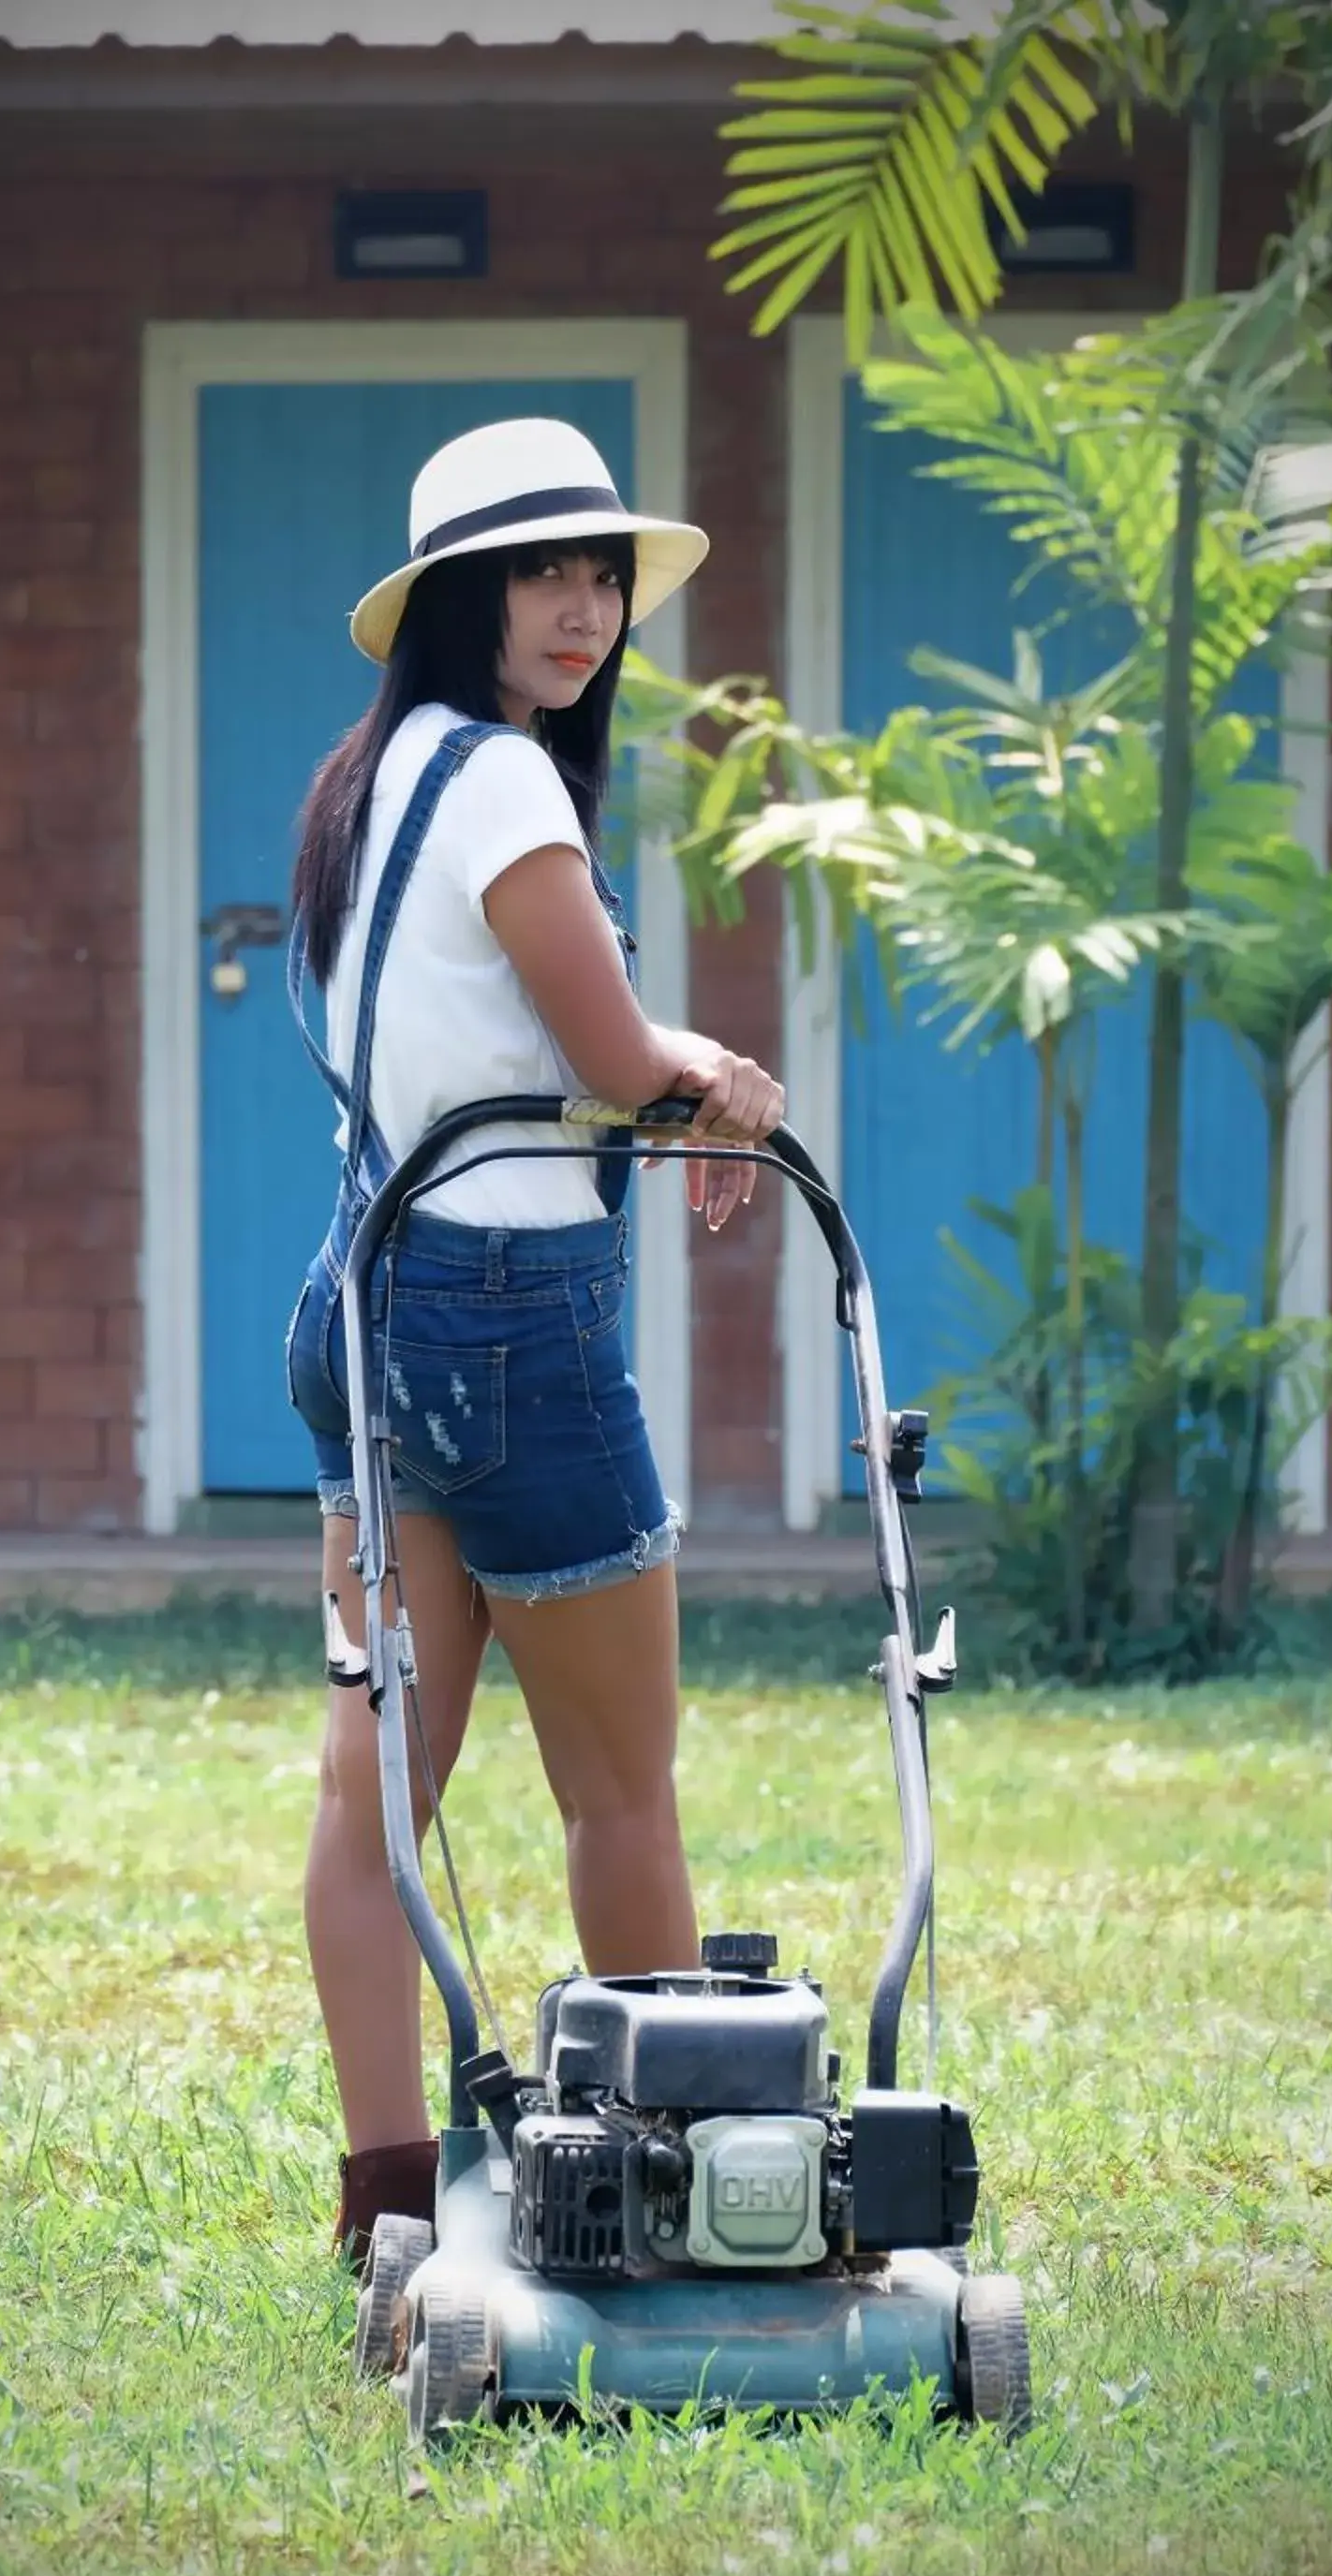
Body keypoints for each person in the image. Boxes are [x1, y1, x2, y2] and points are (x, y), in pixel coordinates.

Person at [282, 417, 785, 2263]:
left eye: (599, 578)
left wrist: (657, 1102)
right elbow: (611, 1057)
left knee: (376, 1789)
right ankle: (686, 2197)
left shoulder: (371, 779)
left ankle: (385, 2199)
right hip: (510, 1324)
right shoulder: (502, 784)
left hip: (368, 1292)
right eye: (538, 575)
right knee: (621, 1785)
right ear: (457, 600)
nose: (581, 611)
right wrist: (721, 1078)